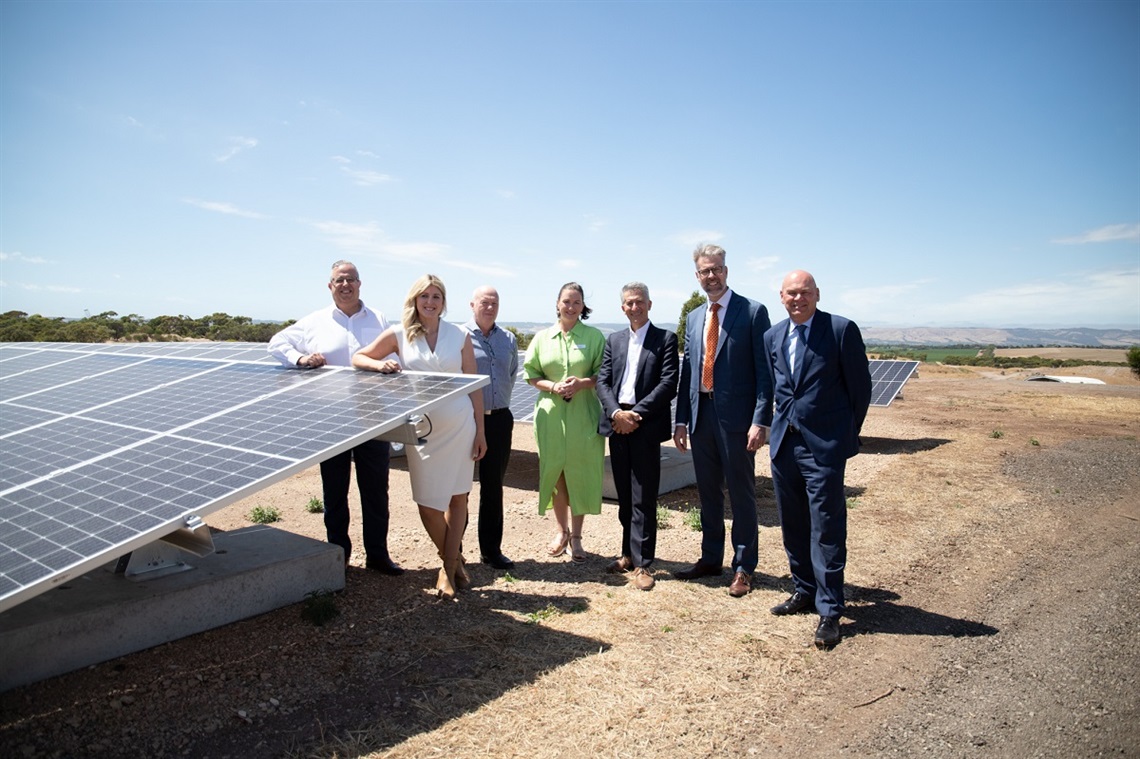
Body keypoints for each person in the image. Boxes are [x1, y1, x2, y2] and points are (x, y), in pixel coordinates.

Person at [353, 274, 487, 600]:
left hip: (459, 425)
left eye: (436, 296)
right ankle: (453, 560)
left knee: (458, 497)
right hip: (423, 429)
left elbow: (474, 386)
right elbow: (359, 357)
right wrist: (380, 365)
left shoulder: (460, 335)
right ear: (415, 300)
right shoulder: (399, 334)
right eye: (424, 296)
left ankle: (448, 567)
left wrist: (480, 431)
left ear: (443, 302)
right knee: (427, 503)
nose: (430, 302)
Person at [268, 260, 403, 575]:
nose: (345, 285)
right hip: (331, 420)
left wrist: (392, 366)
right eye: (339, 281)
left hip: (373, 416)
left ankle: (378, 556)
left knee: (375, 491)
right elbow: (277, 343)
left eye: (351, 280)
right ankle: (338, 556)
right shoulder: (315, 322)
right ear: (330, 286)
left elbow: (394, 354)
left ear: (360, 283)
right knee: (335, 493)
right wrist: (299, 358)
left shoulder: (378, 319)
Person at [762, 270, 871, 648]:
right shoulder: (772, 336)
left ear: (817, 294)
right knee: (792, 523)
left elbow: (860, 390)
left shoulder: (840, 330)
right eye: (791, 293)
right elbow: (777, 388)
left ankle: (830, 610)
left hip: (823, 447)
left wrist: (841, 435)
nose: (798, 299)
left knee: (826, 527)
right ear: (781, 296)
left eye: (805, 292)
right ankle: (804, 591)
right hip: (784, 445)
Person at [672, 244, 772, 597]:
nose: (711, 276)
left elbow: (765, 373)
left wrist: (761, 420)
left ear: (726, 271)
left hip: (737, 420)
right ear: (697, 276)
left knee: (742, 494)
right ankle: (710, 558)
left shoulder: (753, 312)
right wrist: (681, 420)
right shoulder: (696, 317)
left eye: (716, 269)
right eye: (704, 271)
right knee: (708, 492)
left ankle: (744, 568)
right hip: (701, 415)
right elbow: (689, 373)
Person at [596, 282, 678, 591]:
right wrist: (617, 413)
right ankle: (628, 554)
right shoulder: (613, 340)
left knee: (643, 495)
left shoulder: (666, 339)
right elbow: (603, 381)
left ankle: (644, 563)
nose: (635, 307)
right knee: (625, 495)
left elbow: (669, 383)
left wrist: (635, 415)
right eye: (629, 303)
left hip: (644, 424)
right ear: (623, 308)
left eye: (640, 302)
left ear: (649, 304)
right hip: (618, 424)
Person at [523, 282, 606, 563]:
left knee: (580, 473)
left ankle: (578, 537)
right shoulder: (542, 338)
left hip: (584, 416)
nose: (571, 307)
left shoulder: (595, 338)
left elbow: (603, 374)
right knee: (557, 473)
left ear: (583, 307)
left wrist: (582, 383)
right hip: (551, 417)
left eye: (577, 302)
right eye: (566, 301)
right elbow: (532, 374)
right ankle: (561, 531)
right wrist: (553, 386)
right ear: (557, 303)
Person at [463, 285, 518, 570]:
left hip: (498, 418)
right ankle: (454, 550)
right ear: (472, 304)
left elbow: (510, 373)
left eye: (495, 302)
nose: (490, 307)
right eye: (485, 302)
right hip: (465, 419)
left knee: (493, 486)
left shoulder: (508, 338)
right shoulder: (460, 337)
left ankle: (491, 550)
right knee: (459, 487)